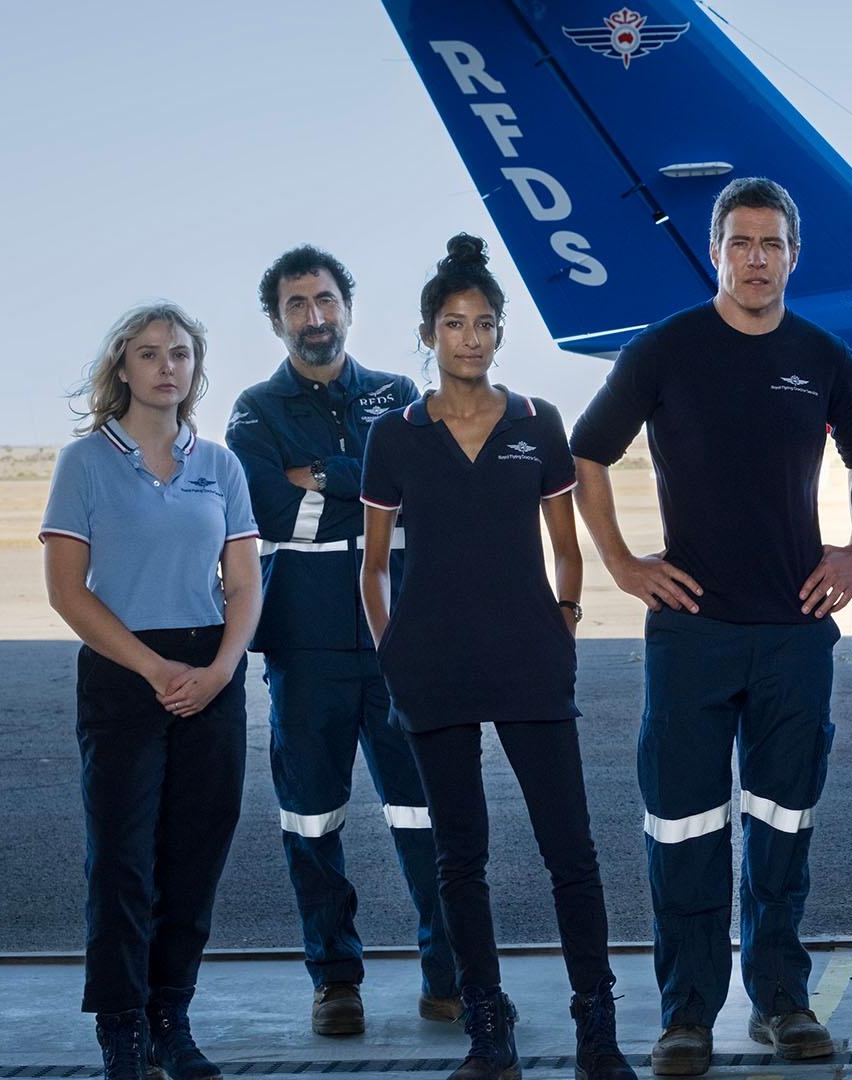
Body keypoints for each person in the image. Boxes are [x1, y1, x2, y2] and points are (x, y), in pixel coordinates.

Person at [570, 177, 852, 1075]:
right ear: (715, 251)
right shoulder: (667, 350)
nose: (755, 259)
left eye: (771, 244)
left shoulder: (822, 356)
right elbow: (586, 452)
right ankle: (687, 1016)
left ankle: (781, 999)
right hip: (692, 633)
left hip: (792, 630)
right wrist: (625, 566)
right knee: (686, 830)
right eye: (739, 243)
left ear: (793, 254)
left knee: (783, 825)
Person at [359, 234, 633, 1080]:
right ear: (429, 334)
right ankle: (490, 1030)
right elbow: (372, 566)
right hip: (433, 664)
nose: (470, 338)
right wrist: (393, 651)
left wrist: (564, 623)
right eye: (454, 323)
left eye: (483, 323)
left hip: (528, 658)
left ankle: (597, 1031)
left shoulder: (536, 423)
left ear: (499, 332)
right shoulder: (396, 437)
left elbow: (568, 543)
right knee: (460, 856)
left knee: (570, 851)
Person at [226, 246, 457, 1035]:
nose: (314, 318)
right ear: (277, 319)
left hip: (401, 640)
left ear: (347, 307)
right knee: (311, 819)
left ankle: (448, 972)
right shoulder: (254, 411)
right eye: (297, 305)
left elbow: (423, 496)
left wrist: (320, 474)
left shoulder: (396, 394)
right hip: (305, 648)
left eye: (325, 301)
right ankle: (335, 980)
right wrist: (365, 488)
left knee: (425, 813)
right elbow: (264, 511)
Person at [41, 303, 261, 1080]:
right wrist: (150, 668)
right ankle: (122, 1025)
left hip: (211, 673)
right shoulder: (86, 463)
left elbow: (243, 584)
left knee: (194, 852)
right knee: (124, 858)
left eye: (180, 354)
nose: (167, 366)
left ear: (195, 369)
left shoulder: (222, 465)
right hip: (124, 671)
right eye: (148, 354)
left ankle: (172, 1013)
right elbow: (68, 592)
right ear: (122, 369)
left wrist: (222, 670)